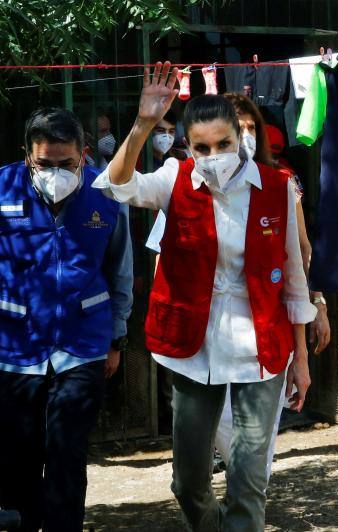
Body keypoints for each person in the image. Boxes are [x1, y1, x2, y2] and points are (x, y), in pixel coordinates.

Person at [94, 62, 317, 530]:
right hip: (193, 346)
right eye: (201, 147)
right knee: (189, 480)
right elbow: (117, 185)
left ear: (242, 139)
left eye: (223, 145)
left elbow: (294, 280)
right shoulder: (175, 179)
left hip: (263, 345)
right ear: (187, 147)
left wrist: (301, 358)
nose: (213, 155)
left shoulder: (277, 188)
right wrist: (143, 124)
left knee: (248, 478)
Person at [0, 107, 133, 531]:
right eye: (44, 164)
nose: (55, 173)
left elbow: (120, 270)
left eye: (66, 164)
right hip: (16, 348)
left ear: (84, 155)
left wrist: (117, 338)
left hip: (83, 345)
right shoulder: (2, 188)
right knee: (20, 453)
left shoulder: (106, 194)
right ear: (27, 157)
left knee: (67, 451)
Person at [211, 93, 331, 483]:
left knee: (259, 442)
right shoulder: (189, 183)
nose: (245, 136)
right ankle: (243, 493)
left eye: (250, 128)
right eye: (236, 128)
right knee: (220, 426)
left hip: (270, 332)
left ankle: (248, 507)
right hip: (210, 336)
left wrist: (317, 304)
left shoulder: (281, 184)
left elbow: (301, 254)